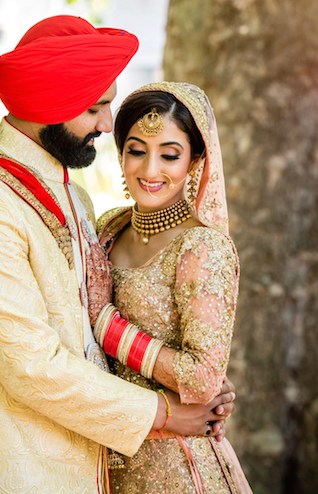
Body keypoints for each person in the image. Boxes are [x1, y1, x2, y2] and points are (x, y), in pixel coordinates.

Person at [0, 17, 233, 494]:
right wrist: (167, 413)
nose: (108, 125)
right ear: (51, 104)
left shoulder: (75, 198)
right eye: (95, 107)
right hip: (10, 471)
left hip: (87, 467)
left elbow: (88, 334)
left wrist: (191, 383)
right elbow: (32, 366)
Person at [90, 82, 252, 494]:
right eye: (137, 150)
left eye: (170, 154)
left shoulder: (202, 246)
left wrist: (110, 330)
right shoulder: (109, 228)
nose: (149, 170)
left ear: (195, 160)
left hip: (178, 468)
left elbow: (201, 380)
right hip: (101, 455)